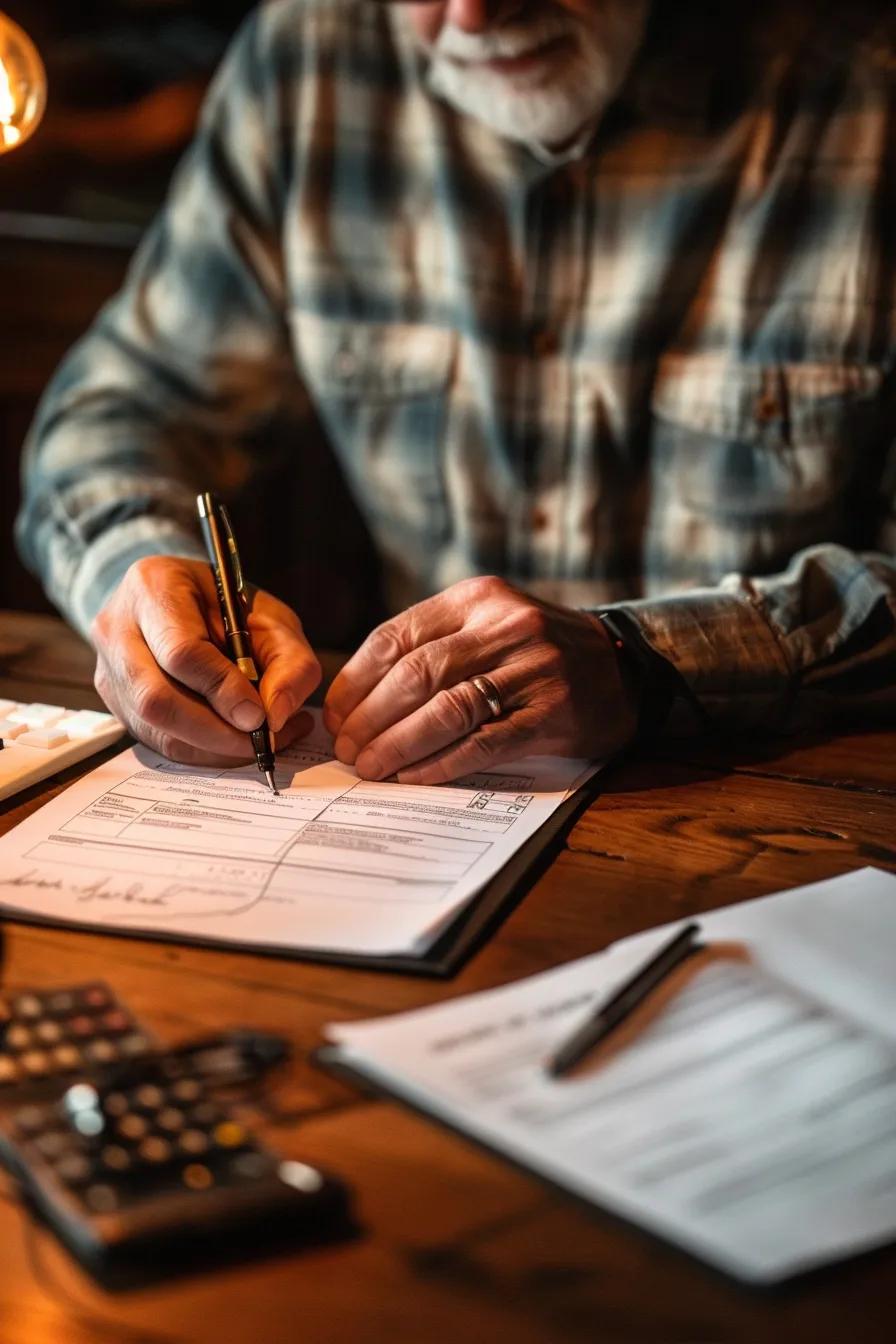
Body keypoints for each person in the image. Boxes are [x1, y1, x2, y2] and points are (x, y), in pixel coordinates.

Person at [16, 0, 896, 786]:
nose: (472, 16)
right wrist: (142, 582)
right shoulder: (315, 52)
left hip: (789, 800)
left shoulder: (865, 82)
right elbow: (120, 413)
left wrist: (652, 662)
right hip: (428, 807)